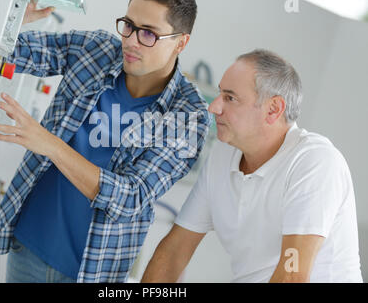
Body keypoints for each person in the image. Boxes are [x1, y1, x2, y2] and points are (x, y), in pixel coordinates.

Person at [0, 0, 210, 283]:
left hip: (92, 273)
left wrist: (50, 144)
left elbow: (131, 197)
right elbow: (7, 55)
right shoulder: (96, 50)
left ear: (180, 42)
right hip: (27, 247)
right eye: (128, 26)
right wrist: (12, 20)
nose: (131, 41)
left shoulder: (188, 114)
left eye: (148, 33)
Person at [142, 49, 363, 283]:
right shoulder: (222, 155)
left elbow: (292, 275)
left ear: (273, 110)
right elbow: (174, 250)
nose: (214, 107)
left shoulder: (314, 162)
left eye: (230, 98)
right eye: (219, 94)